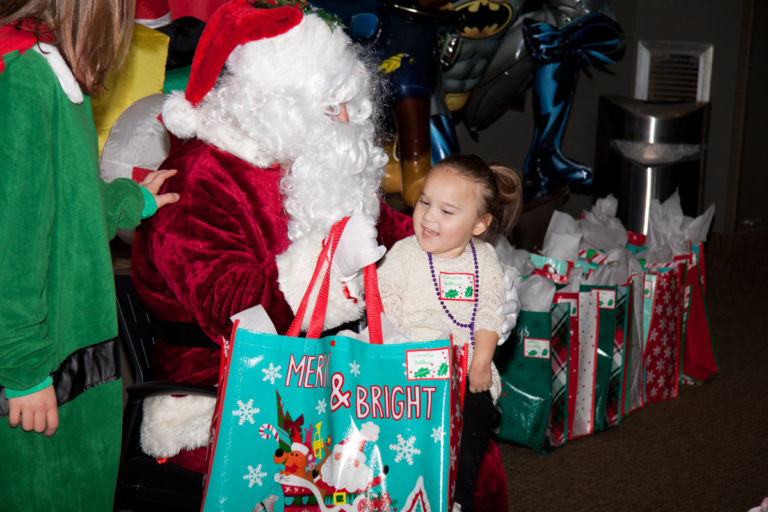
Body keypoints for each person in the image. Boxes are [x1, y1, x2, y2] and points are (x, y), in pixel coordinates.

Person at [131, 4, 519, 506]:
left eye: (349, 102)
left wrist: (476, 276)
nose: (345, 119)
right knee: (392, 464)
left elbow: (404, 233)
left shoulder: (319, 161)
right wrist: (329, 268)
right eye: (329, 103)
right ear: (273, 100)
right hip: (227, 393)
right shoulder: (203, 176)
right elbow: (229, 308)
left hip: (335, 366)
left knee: (460, 438)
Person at [0, 1, 179, 510]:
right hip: (39, 383)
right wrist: (23, 369)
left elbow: (65, 205)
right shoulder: (24, 81)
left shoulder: (50, 74)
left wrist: (132, 199)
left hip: (70, 373)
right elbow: (10, 241)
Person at [376, 153, 523, 512]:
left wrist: (482, 362)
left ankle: (460, 496)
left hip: (464, 365)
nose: (428, 216)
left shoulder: (484, 258)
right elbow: (385, 308)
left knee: (477, 410)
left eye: (447, 211)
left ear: (478, 224)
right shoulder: (404, 253)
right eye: (425, 201)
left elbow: (491, 310)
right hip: (409, 365)